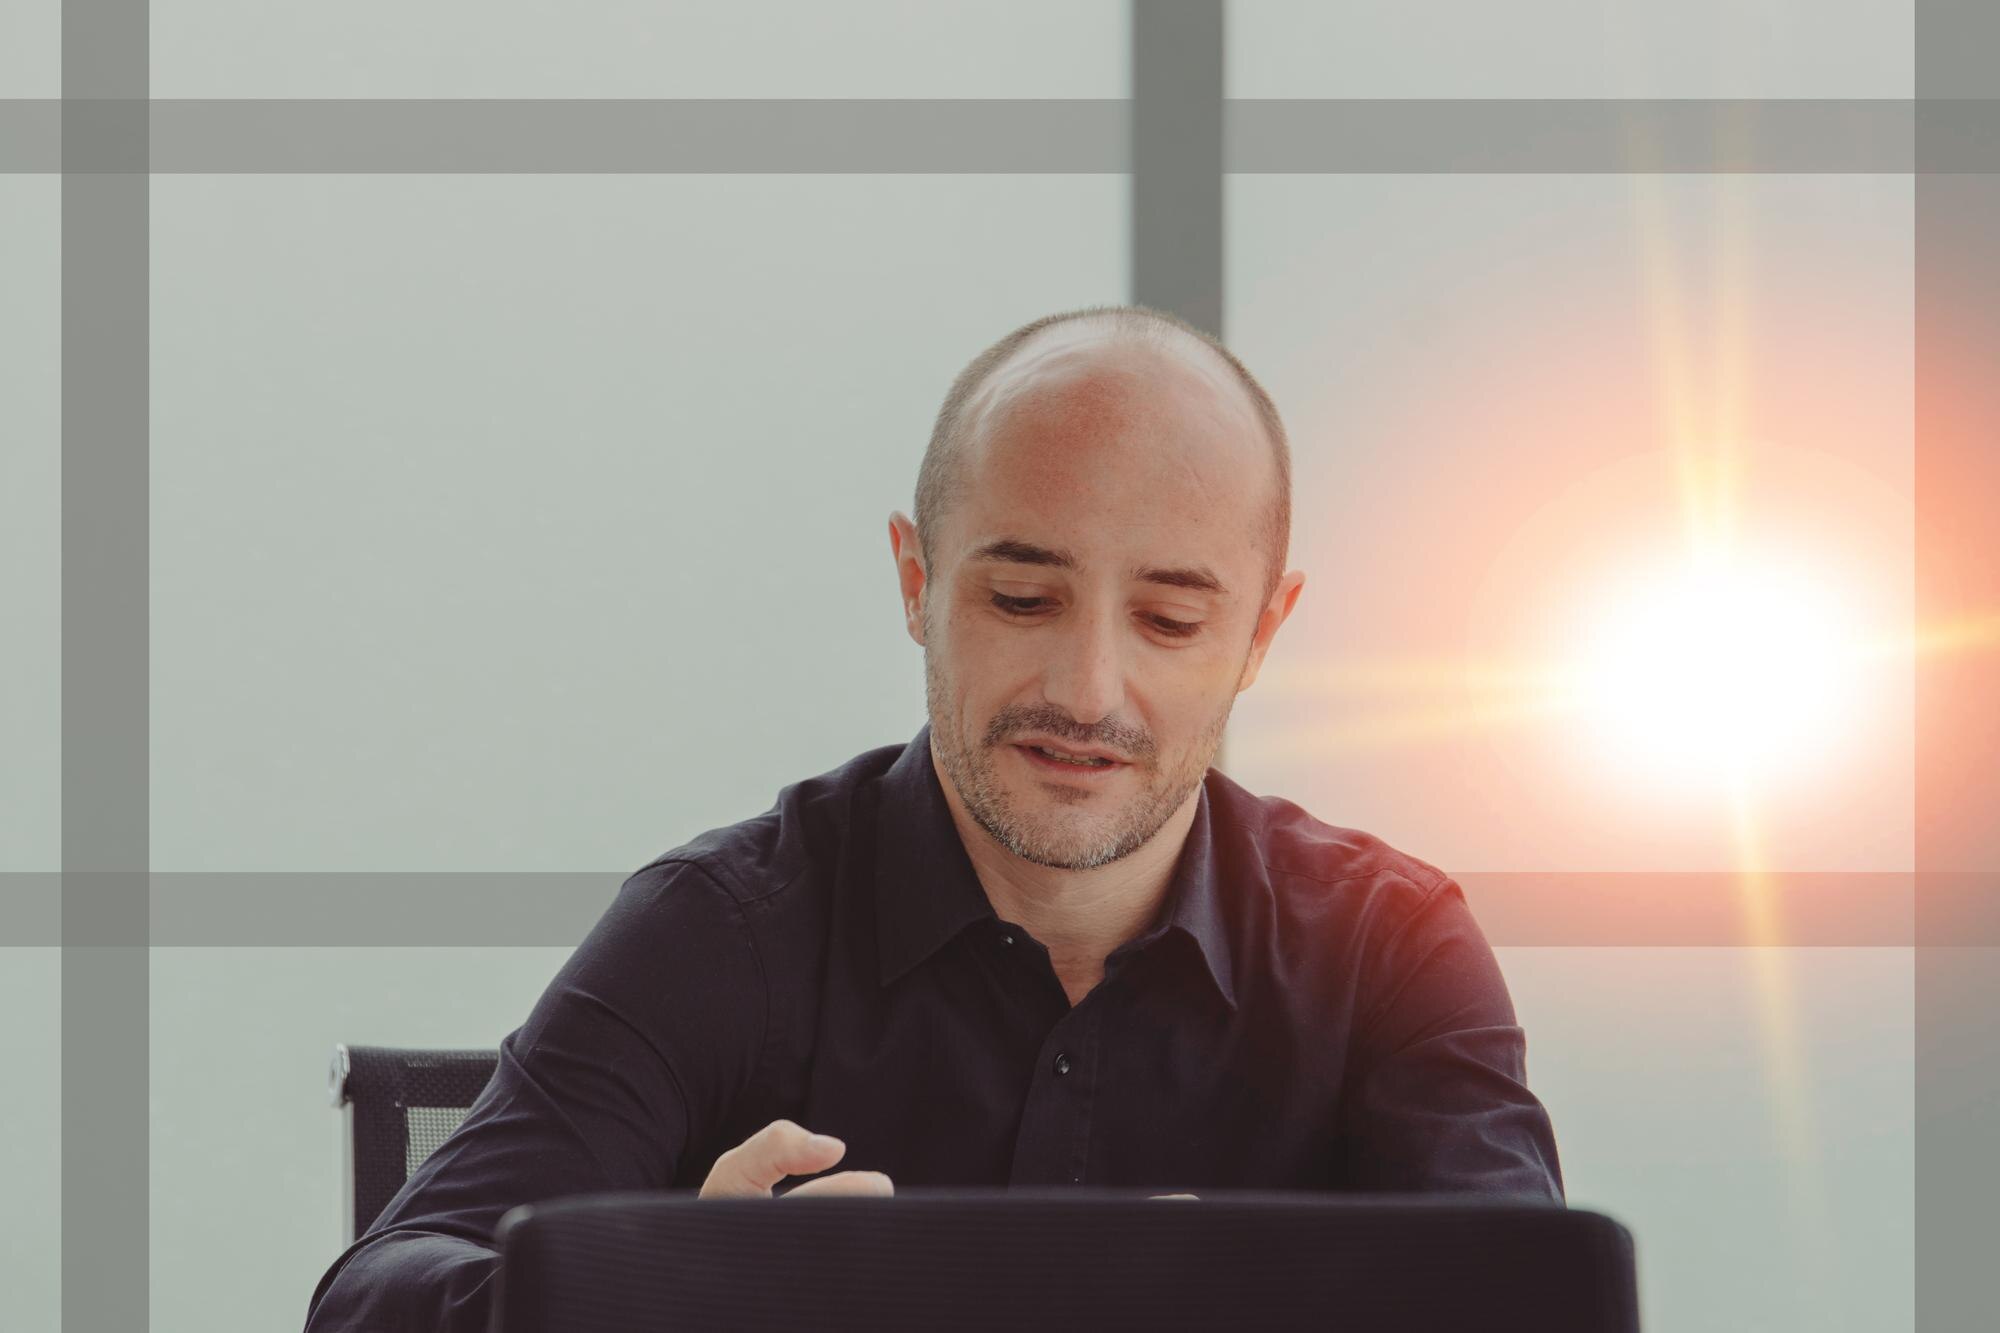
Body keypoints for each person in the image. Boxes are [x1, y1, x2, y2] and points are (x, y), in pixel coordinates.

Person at [303, 303, 1563, 1331]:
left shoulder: (1389, 945)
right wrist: (678, 1290)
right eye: (1020, 599)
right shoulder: (721, 928)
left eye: (1170, 620)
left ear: (1260, 633)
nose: (1087, 691)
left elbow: (1534, 1306)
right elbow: (372, 1301)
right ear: (916, 581)